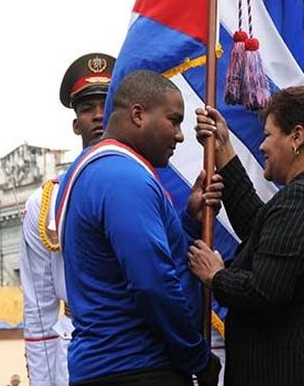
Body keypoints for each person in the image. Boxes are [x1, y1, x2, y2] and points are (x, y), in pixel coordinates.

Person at [188, 85, 304, 386]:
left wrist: (216, 276)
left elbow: (264, 291)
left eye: (269, 135)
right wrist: (222, 147)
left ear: (296, 137)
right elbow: (260, 229)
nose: (262, 146)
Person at [55, 70, 222, 386]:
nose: (179, 135)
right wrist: (197, 357)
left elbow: (121, 265)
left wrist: (188, 221)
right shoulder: (123, 176)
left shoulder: (96, 169)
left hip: (117, 367)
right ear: (138, 114)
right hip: (136, 368)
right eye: (173, 120)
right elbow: (152, 282)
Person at [20, 52, 115, 386]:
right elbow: (39, 308)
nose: (99, 115)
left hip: (144, 344)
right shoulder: (44, 205)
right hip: (77, 348)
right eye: (88, 108)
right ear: (76, 123)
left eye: (107, 103)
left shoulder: (158, 185)